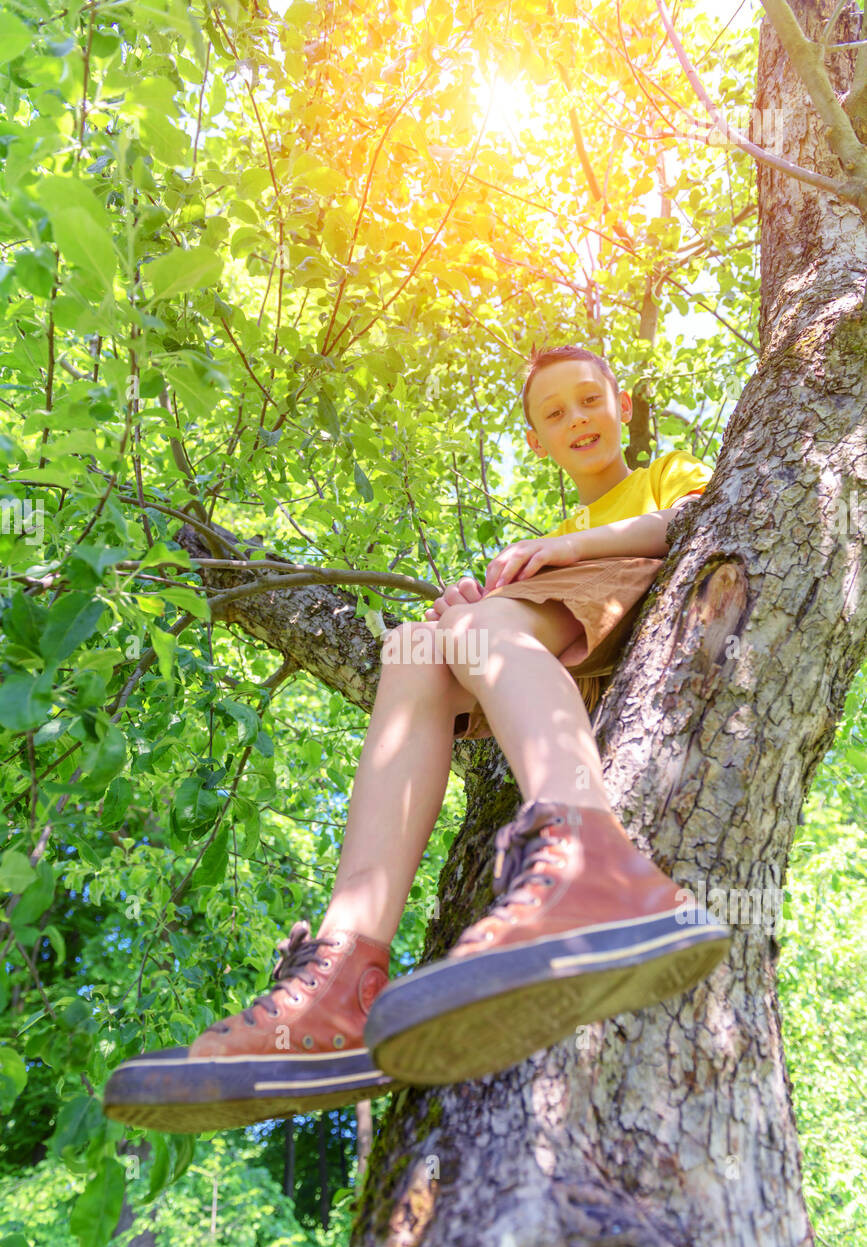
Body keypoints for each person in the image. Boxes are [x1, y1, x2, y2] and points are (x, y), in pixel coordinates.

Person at [102, 345, 730, 1133]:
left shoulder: (660, 474)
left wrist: (562, 555)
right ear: (535, 440)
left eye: (588, 400)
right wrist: (489, 594)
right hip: (559, 619)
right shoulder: (554, 531)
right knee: (411, 647)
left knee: (474, 624)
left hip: (628, 579)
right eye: (554, 412)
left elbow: (688, 522)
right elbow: (516, 616)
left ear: (622, 406)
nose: (576, 419)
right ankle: (342, 969)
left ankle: (591, 864)